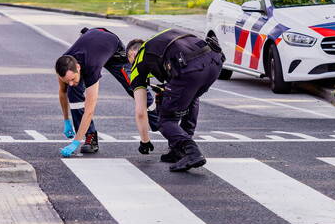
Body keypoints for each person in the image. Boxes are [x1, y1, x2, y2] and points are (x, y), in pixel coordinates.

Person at [126, 29, 223, 172]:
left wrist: (145, 141)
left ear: (132, 54)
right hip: (215, 61)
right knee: (192, 98)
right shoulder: (164, 37)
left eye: (129, 61)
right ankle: (178, 150)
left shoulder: (138, 60)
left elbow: (141, 112)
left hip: (189, 68)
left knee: (165, 120)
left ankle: (192, 152)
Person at [55, 27, 160, 157]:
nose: (70, 83)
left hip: (112, 49)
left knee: (134, 86)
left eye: (72, 79)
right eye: (67, 80)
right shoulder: (63, 65)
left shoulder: (91, 66)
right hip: (91, 47)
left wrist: (75, 142)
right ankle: (90, 137)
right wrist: (66, 121)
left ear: (78, 67)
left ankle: (160, 122)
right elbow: (62, 92)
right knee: (73, 92)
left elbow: (89, 110)